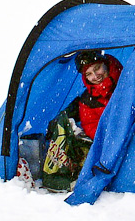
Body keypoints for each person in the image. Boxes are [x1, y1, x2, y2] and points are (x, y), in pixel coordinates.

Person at [41, 50, 122, 191]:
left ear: (106, 64)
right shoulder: (87, 101)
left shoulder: (126, 81)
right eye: (88, 74)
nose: (95, 76)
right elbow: (91, 126)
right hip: (112, 143)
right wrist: (111, 137)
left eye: (97, 68)